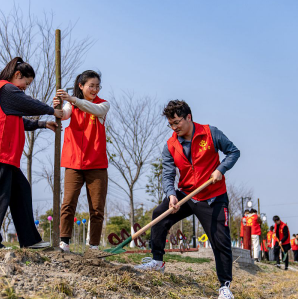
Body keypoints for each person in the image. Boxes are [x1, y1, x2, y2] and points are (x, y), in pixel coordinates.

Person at [135, 100, 240, 299]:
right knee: (159, 215)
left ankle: (224, 286)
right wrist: (171, 195)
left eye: (176, 123)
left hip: (212, 196)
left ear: (188, 117)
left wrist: (220, 169)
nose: (174, 128)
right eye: (170, 124)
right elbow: (168, 175)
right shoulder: (171, 145)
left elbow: (234, 152)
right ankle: (158, 261)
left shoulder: (211, 133)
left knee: (220, 240)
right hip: (186, 194)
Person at [0, 57, 63, 248]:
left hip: (4, 153)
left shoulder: (0, 92)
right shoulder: (5, 89)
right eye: (25, 83)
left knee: (21, 190)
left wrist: (41, 123)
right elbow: (28, 103)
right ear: (17, 75)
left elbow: (16, 121)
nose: (25, 88)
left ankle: (30, 240)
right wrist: (52, 111)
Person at [53, 70, 110, 252]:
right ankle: (64, 242)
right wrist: (57, 107)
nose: (94, 89)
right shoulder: (71, 106)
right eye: (91, 86)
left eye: (97, 86)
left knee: (96, 208)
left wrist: (72, 99)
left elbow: (92, 108)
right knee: (68, 203)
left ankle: (93, 246)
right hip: (73, 162)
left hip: (97, 164)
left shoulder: (103, 105)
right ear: (81, 86)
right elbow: (63, 115)